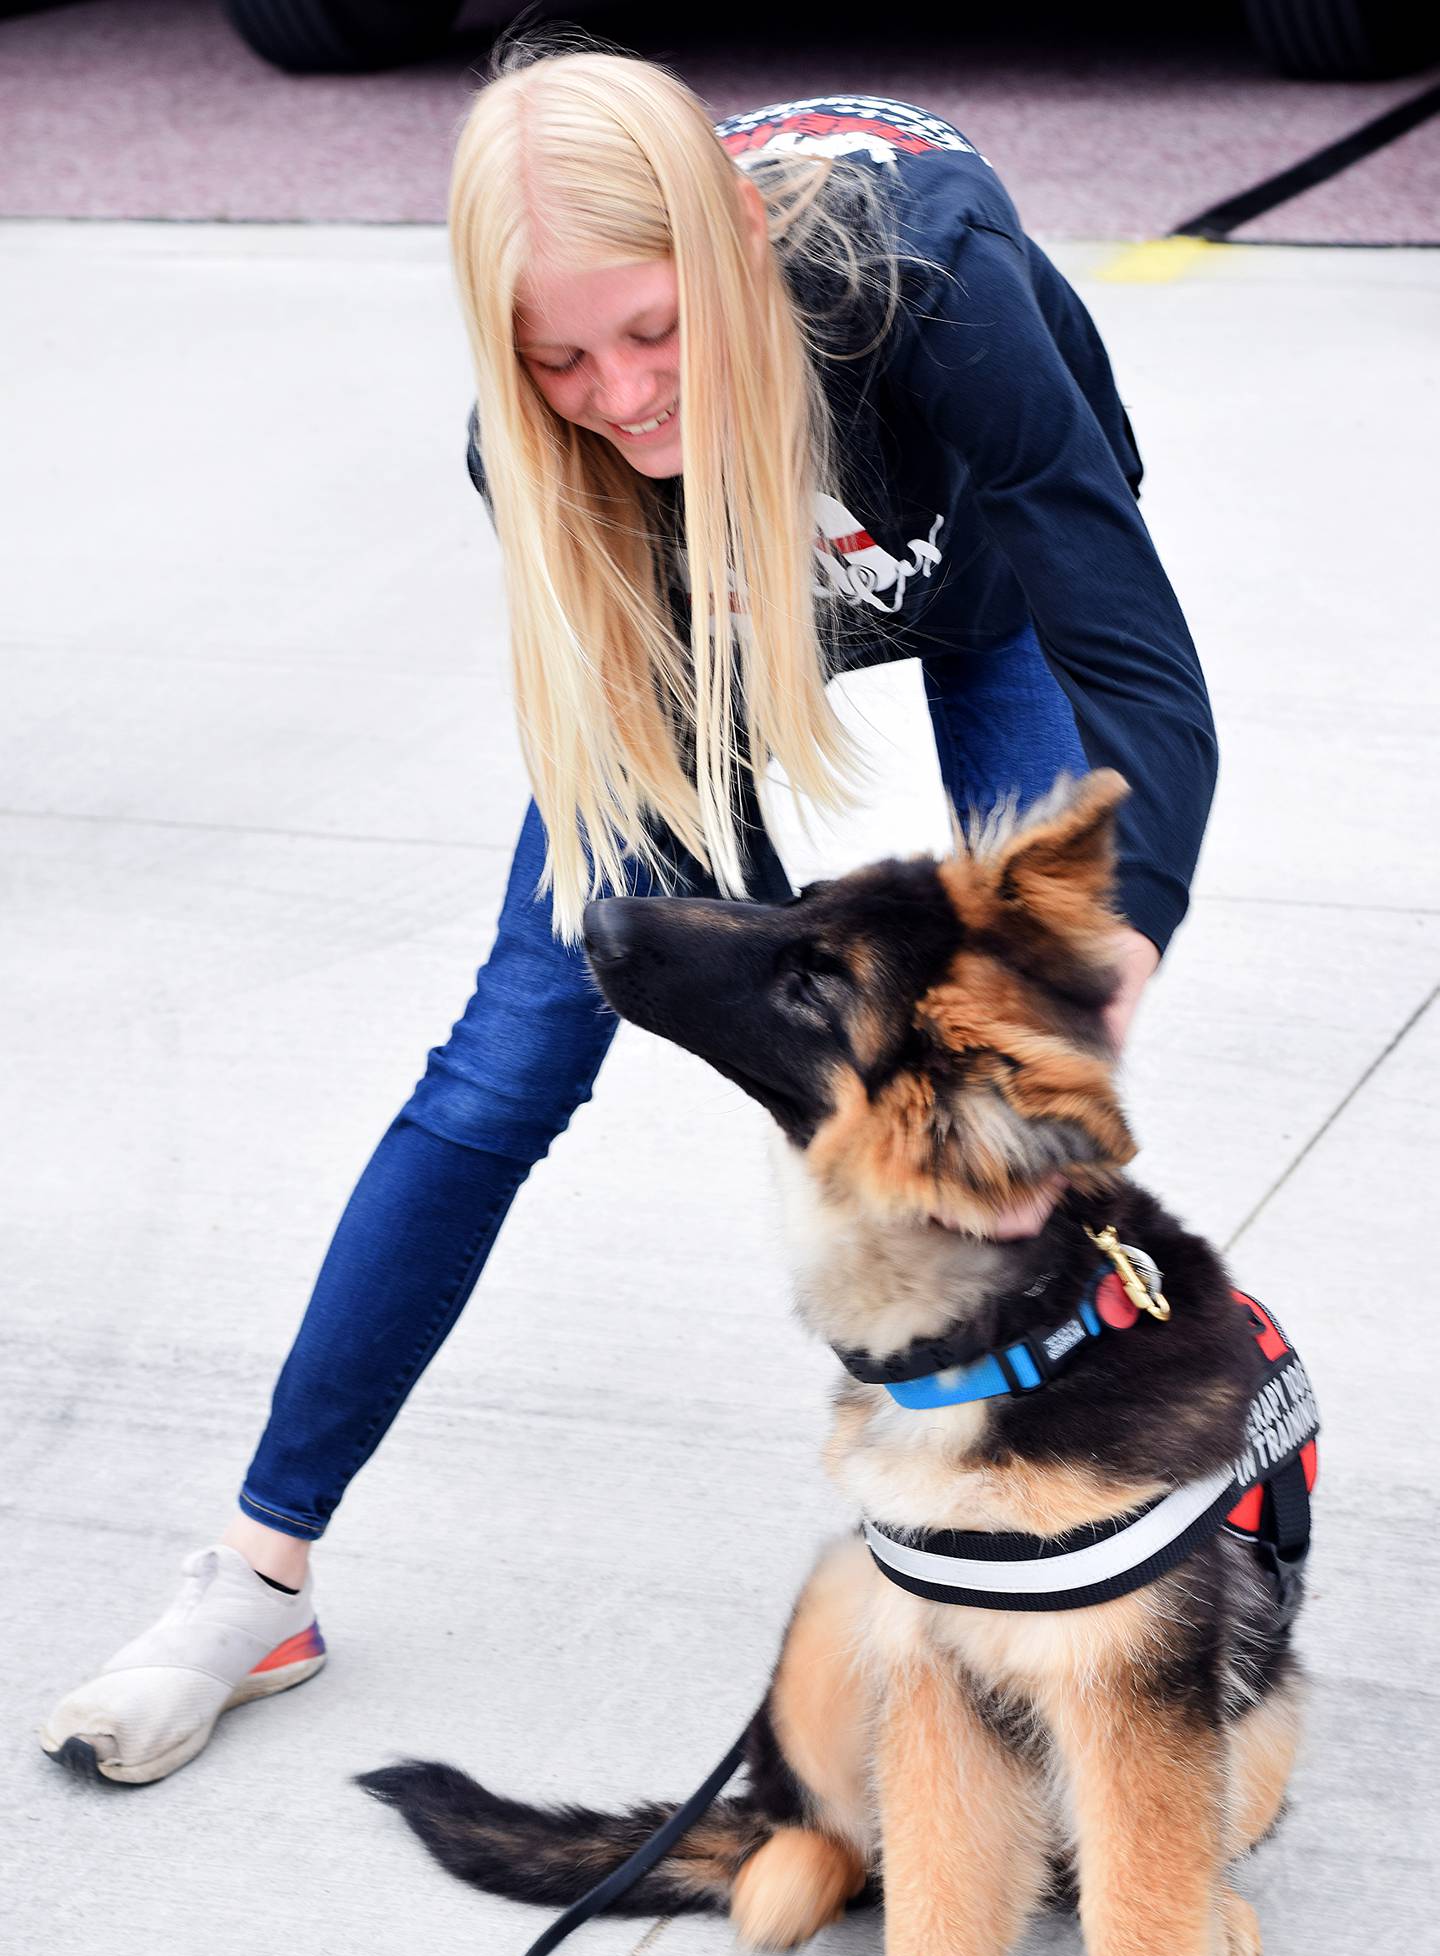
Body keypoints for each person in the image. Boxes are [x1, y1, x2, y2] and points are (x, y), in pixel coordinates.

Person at [40, 49, 1217, 1785]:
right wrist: (795, 1037)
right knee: (505, 1060)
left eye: (657, 330)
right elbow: (715, 908)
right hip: (706, 610)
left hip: (997, 583)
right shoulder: (543, 447)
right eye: (560, 357)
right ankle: (256, 1576)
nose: (624, 390)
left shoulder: (938, 290)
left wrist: (1112, 957)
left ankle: (1071, 1555)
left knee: (1029, 1052)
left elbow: (1135, 664)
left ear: (737, 240)